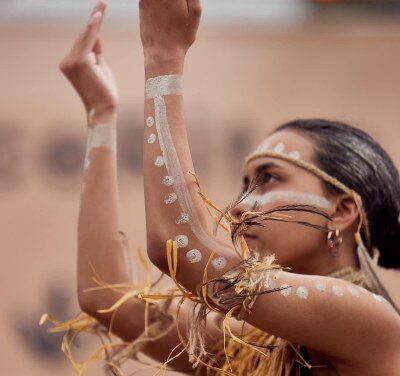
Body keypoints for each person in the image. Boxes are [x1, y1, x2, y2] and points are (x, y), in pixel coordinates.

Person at [47, 0, 400, 374]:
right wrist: (100, 114)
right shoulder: (253, 346)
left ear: (343, 211)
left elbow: (184, 249)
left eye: (270, 178)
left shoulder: (367, 318)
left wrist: (164, 56)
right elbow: (107, 297)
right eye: (246, 183)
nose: (238, 207)